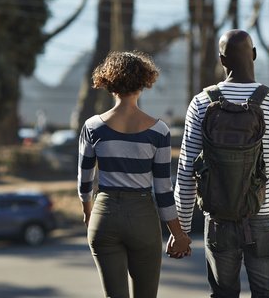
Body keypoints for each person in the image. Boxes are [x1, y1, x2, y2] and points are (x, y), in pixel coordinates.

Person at [174, 30, 269, 298]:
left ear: (222, 60)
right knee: (268, 293)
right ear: (255, 55)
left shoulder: (201, 103)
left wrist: (182, 228)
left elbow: (187, 171)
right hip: (264, 217)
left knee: (223, 294)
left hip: (218, 219)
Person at [78, 51, 190, 298]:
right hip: (142, 217)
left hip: (104, 214)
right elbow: (163, 190)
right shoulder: (159, 131)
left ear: (109, 83)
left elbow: (85, 183)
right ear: (143, 83)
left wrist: (88, 213)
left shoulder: (92, 127)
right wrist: (177, 234)